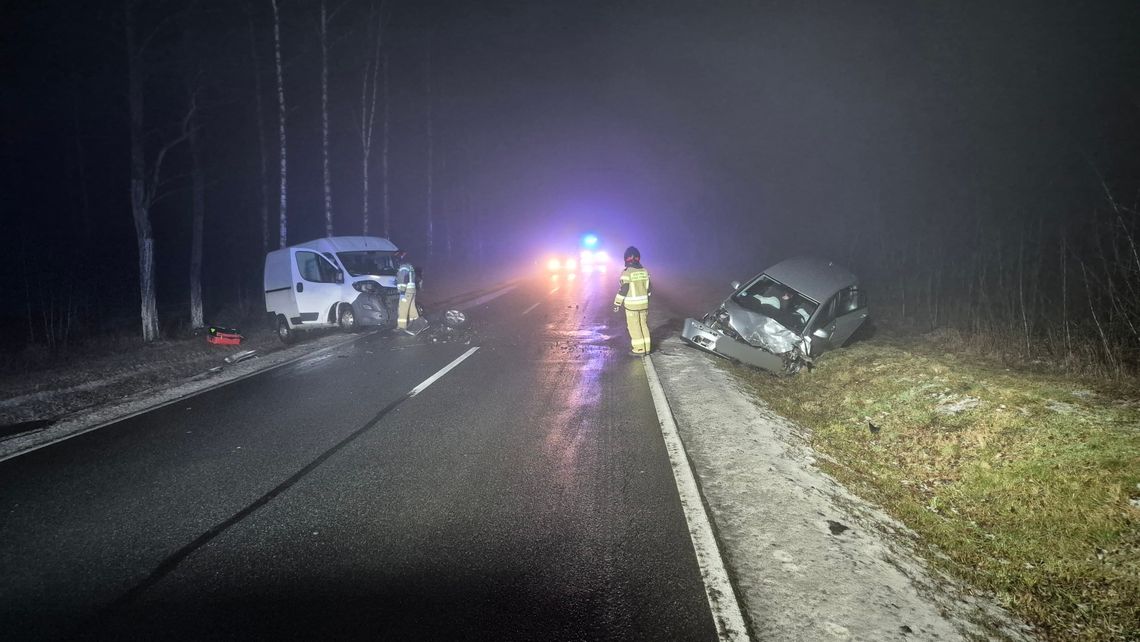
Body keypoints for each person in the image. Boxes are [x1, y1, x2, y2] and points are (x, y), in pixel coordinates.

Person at [612, 246, 652, 355]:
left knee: (634, 327)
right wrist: (647, 299)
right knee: (643, 325)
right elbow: (649, 289)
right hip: (644, 305)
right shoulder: (644, 271)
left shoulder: (627, 272)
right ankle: (647, 348)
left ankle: (639, 349)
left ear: (626, 259)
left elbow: (623, 289)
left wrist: (617, 304)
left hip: (632, 306)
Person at [394, 250, 419, 333]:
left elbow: (402, 280)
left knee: (402, 309)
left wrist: (402, 292)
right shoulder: (410, 266)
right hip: (412, 290)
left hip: (406, 291)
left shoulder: (403, 267)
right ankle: (416, 324)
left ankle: (401, 327)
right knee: (412, 308)